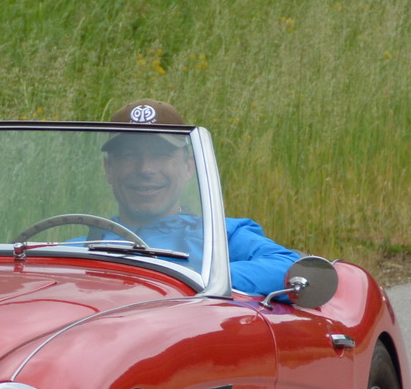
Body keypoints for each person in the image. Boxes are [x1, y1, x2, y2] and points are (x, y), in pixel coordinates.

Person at [100, 100, 302, 297]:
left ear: (189, 167)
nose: (146, 169)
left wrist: (192, 277)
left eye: (161, 155)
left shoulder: (219, 236)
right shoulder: (86, 245)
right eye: (129, 155)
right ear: (109, 169)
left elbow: (289, 268)